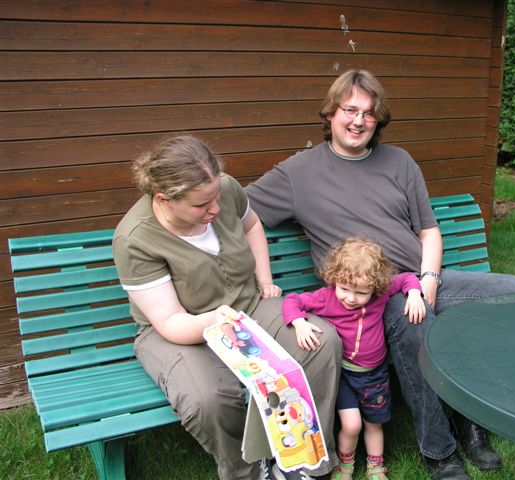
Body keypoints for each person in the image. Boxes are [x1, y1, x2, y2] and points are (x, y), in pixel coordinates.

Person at [245, 69, 515, 480]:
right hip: (368, 297)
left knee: (514, 293)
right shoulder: (298, 173)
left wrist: (429, 280)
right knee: (416, 325)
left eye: (368, 113)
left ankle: (470, 416)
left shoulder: (399, 162)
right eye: (349, 110)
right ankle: (439, 451)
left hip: (420, 280)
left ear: (378, 119)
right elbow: (241, 211)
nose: (358, 121)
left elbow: (428, 231)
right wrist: (263, 278)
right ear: (330, 114)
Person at [112, 134, 342, 480]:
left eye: (217, 195)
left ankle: (304, 459)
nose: (216, 209)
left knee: (321, 342)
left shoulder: (226, 188)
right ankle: (248, 471)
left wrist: (265, 280)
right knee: (207, 399)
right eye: (202, 205)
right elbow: (170, 321)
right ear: (164, 199)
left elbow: (252, 225)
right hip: (179, 331)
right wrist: (215, 320)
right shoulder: (135, 239)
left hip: (246, 306)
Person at [283, 237, 425, 480]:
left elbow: (407, 279)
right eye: (344, 289)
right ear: (334, 279)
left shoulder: (380, 295)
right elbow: (292, 301)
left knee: (374, 424)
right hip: (344, 376)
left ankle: (375, 467)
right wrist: (299, 323)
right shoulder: (326, 298)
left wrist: (414, 294)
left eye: (361, 293)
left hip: (375, 377)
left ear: (375, 287)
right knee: (352, 425)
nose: (350, 298)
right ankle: (344, 466)